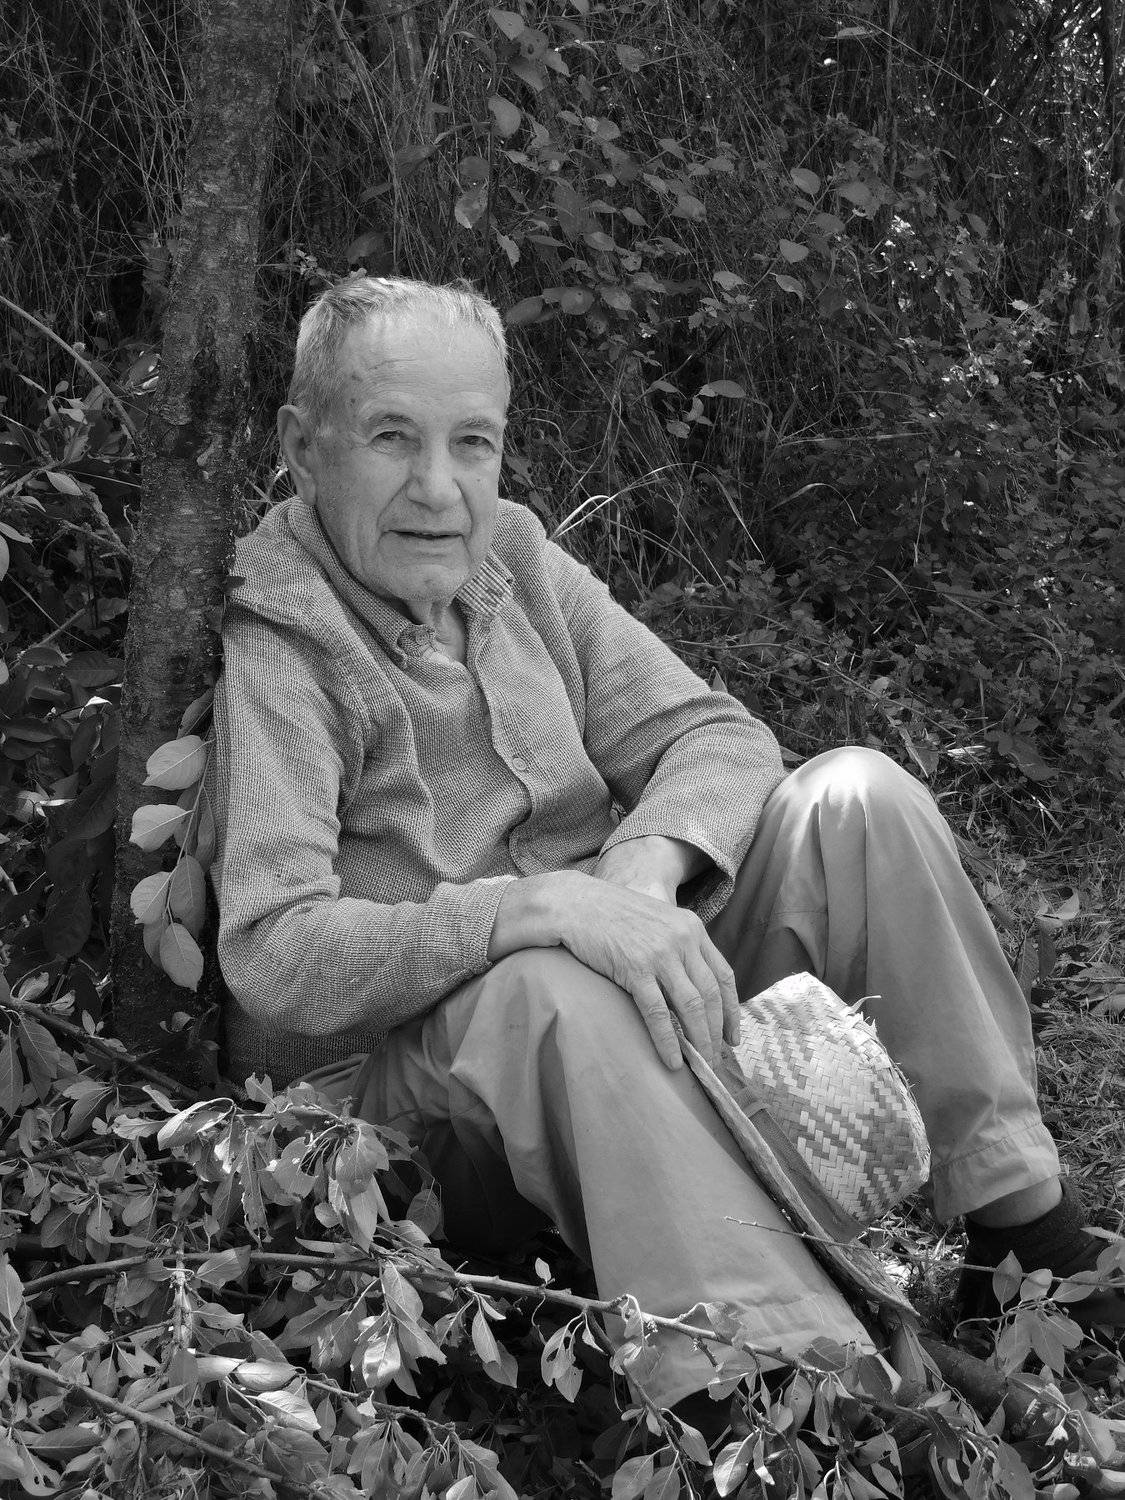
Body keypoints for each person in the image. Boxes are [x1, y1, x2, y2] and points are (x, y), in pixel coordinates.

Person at [210, 275, 1122, 1413]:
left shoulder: (515, 563)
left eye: (472, 442)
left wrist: (637, 874)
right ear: (304, 448)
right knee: (547, 980)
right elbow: (274, 950)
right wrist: (541, 910)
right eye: (392, 438)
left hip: (623, 1016)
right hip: (422, 1121)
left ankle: (1024, 1238)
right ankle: (787, 1399)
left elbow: (717, 736)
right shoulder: (284, 639)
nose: (438, 488)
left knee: (857, 798)